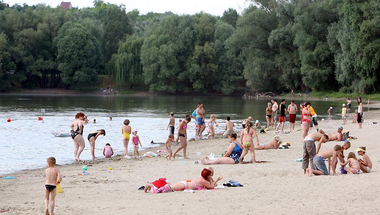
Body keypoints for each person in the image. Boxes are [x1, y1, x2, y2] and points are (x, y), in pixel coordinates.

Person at [144, 168, 220, 193]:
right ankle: (150, 185)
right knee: (168, 188)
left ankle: (152, 184)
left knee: (169, 186)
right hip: (184, 185)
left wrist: (210, 177)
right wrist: (216, 180)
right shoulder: (203, 181)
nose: (211, 176)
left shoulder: (202, 178)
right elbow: (212, 185)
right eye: (211, 175)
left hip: (184, 184)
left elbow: (211, 184)